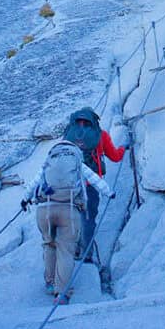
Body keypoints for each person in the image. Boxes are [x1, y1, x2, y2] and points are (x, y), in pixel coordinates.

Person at [21, 141, 114, 303]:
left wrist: (24, 199)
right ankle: (61, 293)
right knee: (65, 250)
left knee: (49, 244)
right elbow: (95, 179)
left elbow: (34, 182)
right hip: (69, 210)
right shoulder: (78, 162)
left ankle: (50, 283)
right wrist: (110, 193)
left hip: (45, 210)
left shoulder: (48, 163)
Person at [61, 107, 125, 261]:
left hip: (70, 184)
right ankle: (87, 253)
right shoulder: (100, 135)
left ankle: (72, 247)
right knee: (88, 219)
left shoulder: (69, 135)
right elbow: (115, 157)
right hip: (90, 185)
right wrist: (123, 148)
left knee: (73, 217)